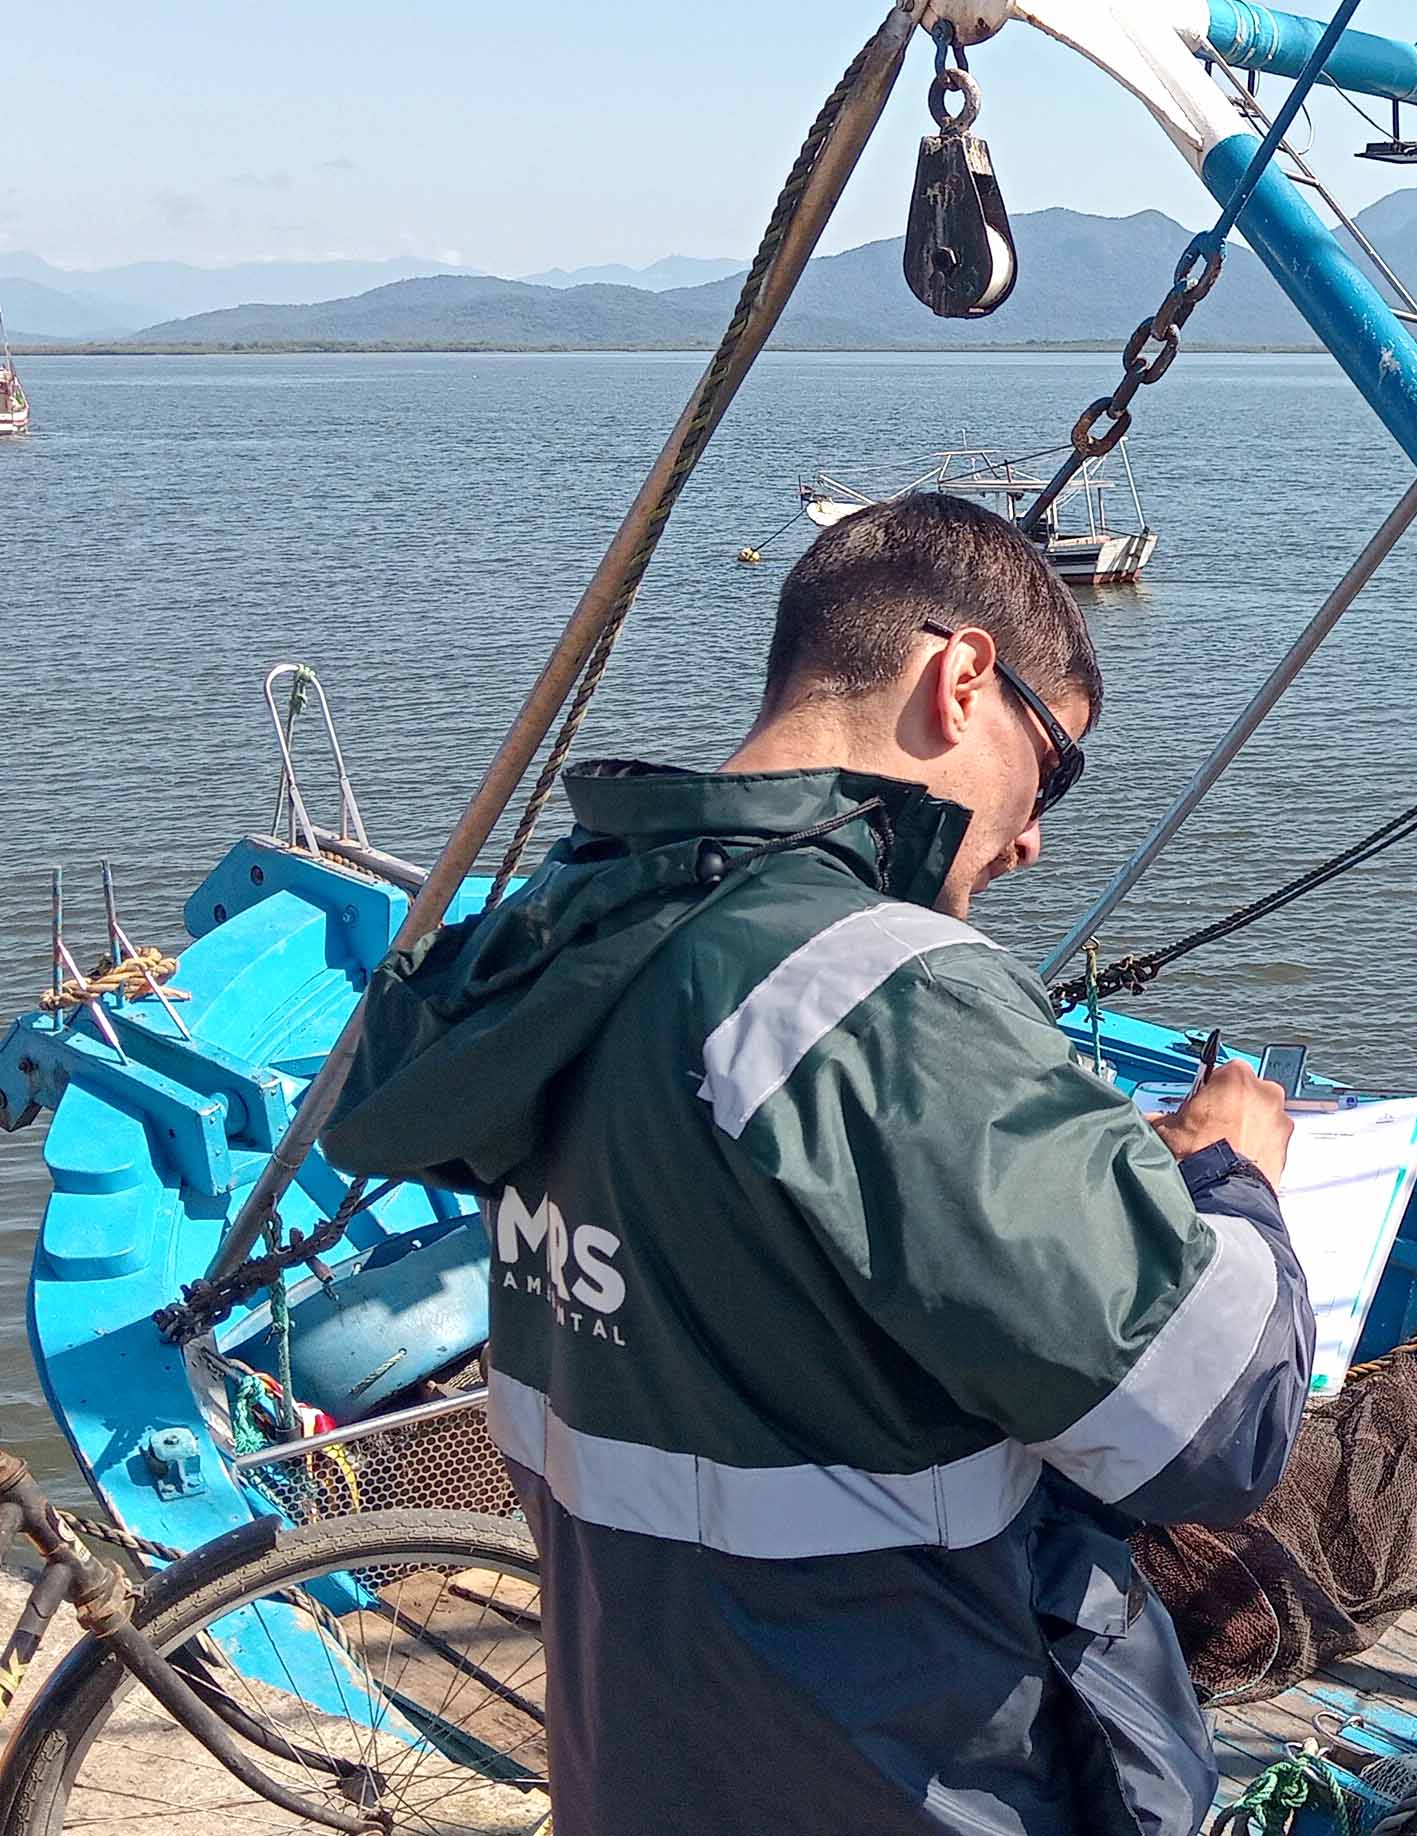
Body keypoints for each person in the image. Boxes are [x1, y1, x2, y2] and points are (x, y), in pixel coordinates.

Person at [325, 492, 1311, 1835]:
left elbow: (749, 1267)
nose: (1031, 839)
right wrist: (1227, 1176)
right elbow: (1216, 1430)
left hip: (640, 1766)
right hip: (907, 1780)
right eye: (1053, 771)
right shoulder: (880, 996)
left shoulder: (561, 943)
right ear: (961, 679)